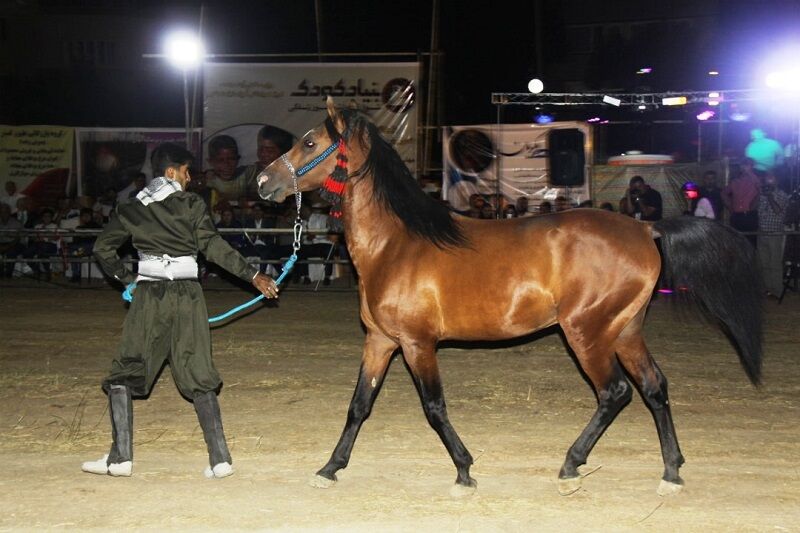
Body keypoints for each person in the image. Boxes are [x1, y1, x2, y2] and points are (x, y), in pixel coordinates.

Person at [83, 143, 278, 479]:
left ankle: (121, 459)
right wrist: (253, 274)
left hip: (149, 296)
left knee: (125, 372)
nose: (190, 179)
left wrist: (128, 280)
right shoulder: (191, 204)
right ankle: (220, 460)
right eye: (187, 171)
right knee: (197, 370)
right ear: (171, 172)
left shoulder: (131, 208)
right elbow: (213, 246)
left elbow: (103, 248)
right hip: (188, 296)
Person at [757, 174, 789, 298]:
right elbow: (754, 208)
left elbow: (777, 210)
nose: (767, 181)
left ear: (777, 181)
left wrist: (769, 196)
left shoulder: (782, 195)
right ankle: (767, 288)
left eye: (770, 179)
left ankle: (777, 290)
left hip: (775, 233)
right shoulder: (762, 194)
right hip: (762, 232)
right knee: (763, 263)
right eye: (766, 179)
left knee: (774, 263)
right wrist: (758, 194)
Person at [722, 159, 761, 246]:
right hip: (736, 215)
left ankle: (751, 259)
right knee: (736, 241)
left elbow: (760, 189)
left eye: (747, 165)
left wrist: (750, 174)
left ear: (752, 167)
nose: (744, 167)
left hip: (750, 215)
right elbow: (724, 193)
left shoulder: (756, 180)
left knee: (751, 242)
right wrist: (730, 207)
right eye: (742, 165)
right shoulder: (735, 181)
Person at [204, 135, 247, 209]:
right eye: (220, 160)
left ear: (237, 159)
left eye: (231, 159)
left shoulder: (247, 176)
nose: (227, 164)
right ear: (210, 161)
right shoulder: (206, 182)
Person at [67, 208, 102, 282]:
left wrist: (85, 236)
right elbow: (75, 240)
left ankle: (76, 275)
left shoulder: (96, 226)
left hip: (92, 248)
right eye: (84, 216)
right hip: (82, 249)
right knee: (73, 251)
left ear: (91, 216)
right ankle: (76, 275)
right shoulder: (79, 228)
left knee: (75, 250)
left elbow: (97, 240)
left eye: (87, 215)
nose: (86, 217)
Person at [0, 203, 24, 277]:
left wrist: (9, 246)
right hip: (1, 243)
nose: (4, 214)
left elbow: (18, 238)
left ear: (9, 212)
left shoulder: (16, 223)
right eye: (2, 212)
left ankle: (8, 274)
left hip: (14, 244)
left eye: (6, 212)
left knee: (11, 252)